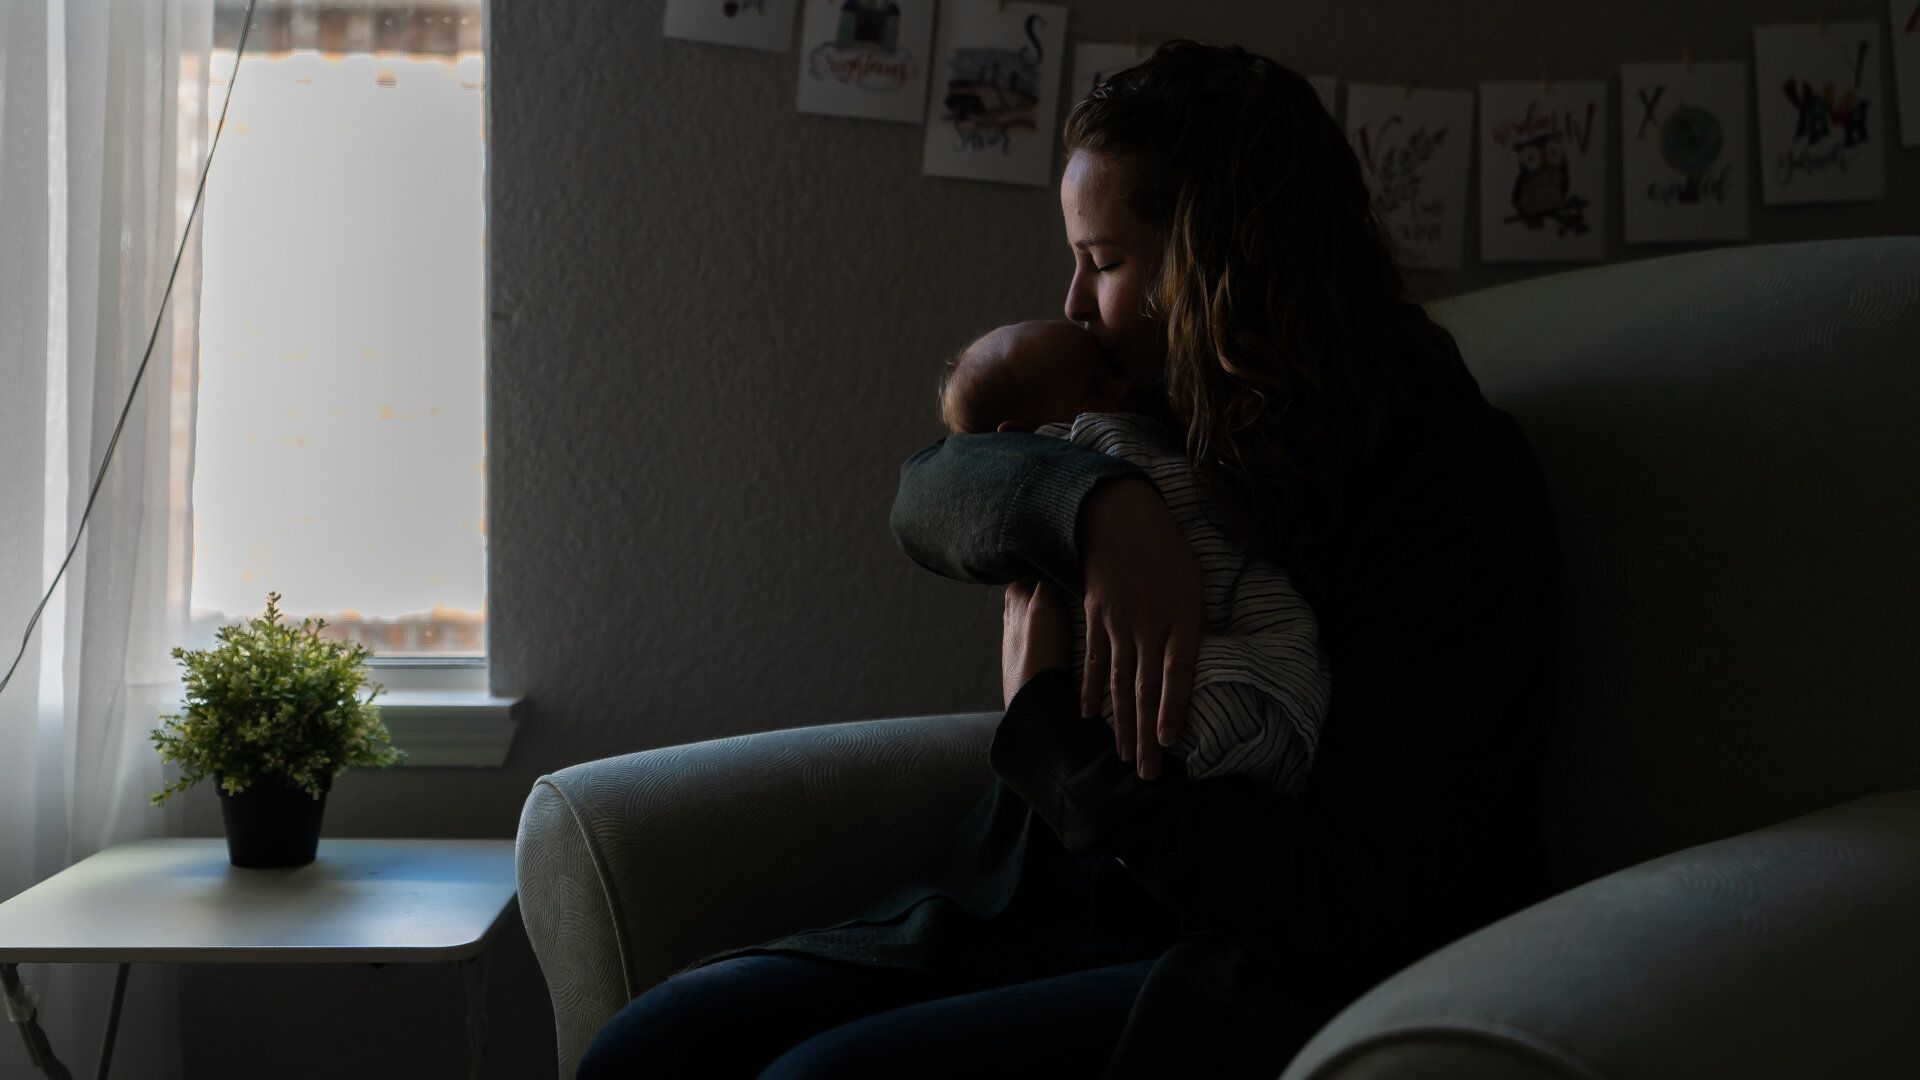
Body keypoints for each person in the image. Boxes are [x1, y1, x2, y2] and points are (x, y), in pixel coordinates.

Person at [578, 39, 1558, 1079]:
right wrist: (1102, 509)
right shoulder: (1151, 403)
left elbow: (1345, 889)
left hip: (1219, 954)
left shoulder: (1445, 484)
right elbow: (933, 488)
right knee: (647, 1052)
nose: (1075, 309)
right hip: (1020, 908)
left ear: (1218, 260)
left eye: (1105, 262)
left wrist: (1050, 733)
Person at [940, 317, 1331, 796]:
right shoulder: (1075, 447)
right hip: (1174, 711)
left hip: (1246, 689)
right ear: (1025, 435)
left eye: (1104, 262)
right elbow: (931, 478)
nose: (1123, 388)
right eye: (1096, 387)